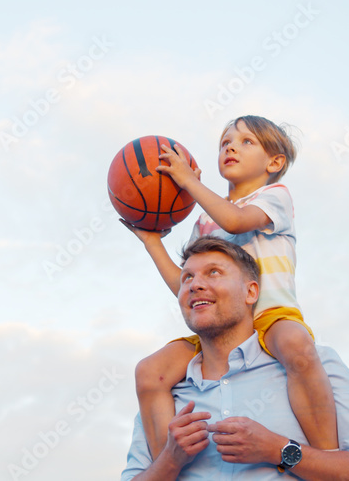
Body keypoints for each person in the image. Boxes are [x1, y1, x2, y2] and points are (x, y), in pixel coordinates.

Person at [122, 115, 337, 458]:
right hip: (221, 330)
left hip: (270, 316)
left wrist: (188, 182)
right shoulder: (205, 221)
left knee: (297, 345)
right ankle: (169, 464)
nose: (231, 147)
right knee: (150, 372)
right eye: (224, 143)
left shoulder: (274, 196)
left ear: (275, 162)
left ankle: (328, 454)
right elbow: (186, 284)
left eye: (245, 141)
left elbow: (235, 221)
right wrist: (152, 242)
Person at [120, 236, 349, 480]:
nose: (195, 285)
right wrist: (170, 460)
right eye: (187, 278)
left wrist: (279, 449)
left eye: (213, 272)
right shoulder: (165, 393)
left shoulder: (313, 365)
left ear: (251, 292)